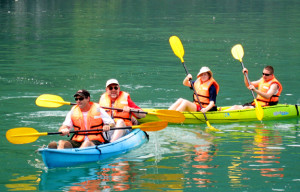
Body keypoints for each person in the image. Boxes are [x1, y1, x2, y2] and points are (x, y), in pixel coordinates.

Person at [48, 89, 115, 149]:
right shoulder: (73, 111)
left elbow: (112, 124)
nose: (78, 101)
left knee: (86, 143)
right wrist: (63, 130)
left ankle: (76, 156)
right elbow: (64, 127)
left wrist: (108, 126)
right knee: (62, 142)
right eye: (76, 99)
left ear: (88, 98)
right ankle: (57, 153)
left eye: (81, 99)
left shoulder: (98, 109)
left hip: (95, 140)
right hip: (78, 140)